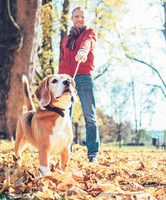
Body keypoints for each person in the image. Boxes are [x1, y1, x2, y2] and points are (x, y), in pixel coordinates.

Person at [58, 7, 100, 163]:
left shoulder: (89, 33)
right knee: (65, 117)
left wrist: (83, 50)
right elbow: (62, 61)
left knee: (89, 116)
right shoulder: (65, 40)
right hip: (66, 79)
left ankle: (92, 154)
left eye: (82, 16)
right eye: (76, 16)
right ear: (72, 19)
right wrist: (60, 79)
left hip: (84, 77)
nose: (79, 19)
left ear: (85, 19)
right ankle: (65, 152)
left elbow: (88, 42)